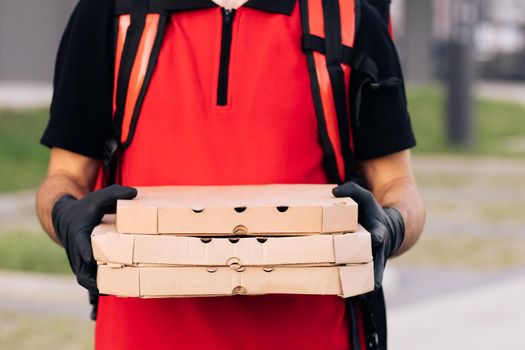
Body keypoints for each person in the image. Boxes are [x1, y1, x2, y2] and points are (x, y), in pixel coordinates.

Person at [36, 0, 425, 349]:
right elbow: (65, 176)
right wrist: (63, 213)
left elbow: (398, 186)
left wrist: (390, 226)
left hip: (314, 334)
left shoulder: (348, 17)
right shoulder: (112, 13)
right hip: (141, 335)